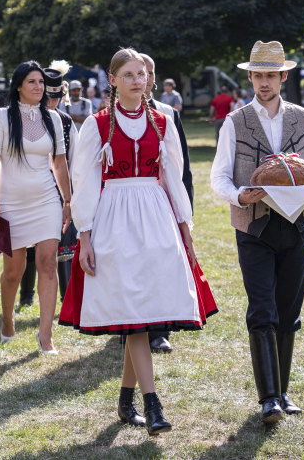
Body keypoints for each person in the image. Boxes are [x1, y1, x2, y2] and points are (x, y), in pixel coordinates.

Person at [59, 48, 216, 435]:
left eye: (142, 74)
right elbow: (85, 182)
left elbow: (174, 177)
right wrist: (85, 236)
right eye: (128, 75)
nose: (137, 81)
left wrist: (185, 227)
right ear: (113, 80)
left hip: (155, 217)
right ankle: (152, 404)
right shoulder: (97, 124)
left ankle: (126, 399)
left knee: (140, 314)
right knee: (134, 312)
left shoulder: (163, 121)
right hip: (114, 217)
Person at [210, 40, 304, 424]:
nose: (264, 82)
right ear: (250, 78)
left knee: (289, 311)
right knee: (262, 309)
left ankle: (283, 392)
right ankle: (269, 399)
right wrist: (239, 196)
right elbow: (218, 177)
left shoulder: (302, 118)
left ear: (283, 77)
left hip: (296, 225)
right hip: (253, 226)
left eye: (271, 76)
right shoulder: (235, 121)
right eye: (258, 75)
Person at [0, 61, 71, 351]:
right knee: (14, 271)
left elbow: (60, 163)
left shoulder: (53, 118)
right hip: (11, 202)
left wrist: (67, 200)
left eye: (41, 82)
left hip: (46, 200)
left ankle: (45, 335)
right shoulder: (1, 117)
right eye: (32, 81)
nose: (38, 87)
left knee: (48, 263)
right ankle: (7, 319)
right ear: (19, 86)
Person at [141, 52, 195, 354]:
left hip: (164, 202)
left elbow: (181, 167)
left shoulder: (168, 114)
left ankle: (160, 330)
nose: (145, 78)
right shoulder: (111, 115)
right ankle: (133, 325)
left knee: (162, 262)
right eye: (139, 72)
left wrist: (186, 209)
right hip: (129, 202)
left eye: (149, 72)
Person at [19, 60, 79, 307]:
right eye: (48, 97)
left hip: (59, 189)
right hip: (30, 188)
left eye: (56, 97)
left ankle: (66, 298)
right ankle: (26, 294)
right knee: (29, 243)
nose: (52, 102)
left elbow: (74, 159)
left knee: (63, 243)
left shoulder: (65, 122)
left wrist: (71, 194)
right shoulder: (23, 118)